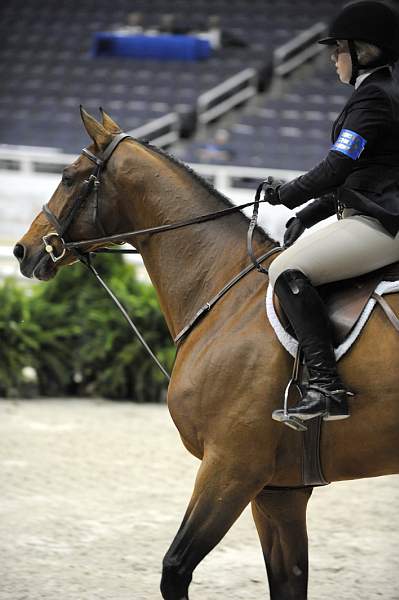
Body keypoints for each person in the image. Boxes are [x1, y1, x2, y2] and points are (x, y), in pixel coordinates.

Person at [264, 0, 399, 422]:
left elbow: (336, 167)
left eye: (338, 48)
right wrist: (307, 214)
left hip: (382, 223)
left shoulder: (373, 100)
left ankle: (326, 388)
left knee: (286, 271)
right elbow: (354, 178)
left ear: (364, 51)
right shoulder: (378, 94)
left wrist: (286, 194)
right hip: (372, 211)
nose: (332, 58)